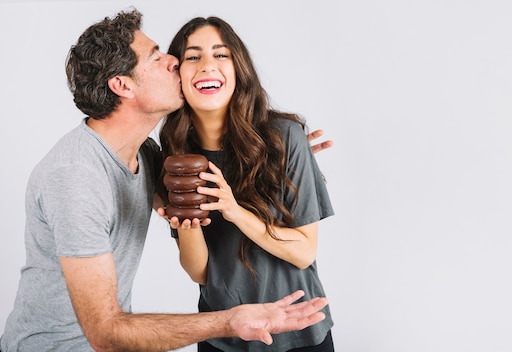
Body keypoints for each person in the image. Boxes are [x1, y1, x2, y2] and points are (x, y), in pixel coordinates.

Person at [0, 9, 332, 352]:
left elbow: (296, 243)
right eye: (156, 56)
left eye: (220, 54)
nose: (172, 61)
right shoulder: (76, 177)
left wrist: (279, 153)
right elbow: (107, 333)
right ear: (122, 85)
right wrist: (227, 321)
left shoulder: (147, 154)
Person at [156, 16, 335, 352]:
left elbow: (303, 251)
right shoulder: (175, 154)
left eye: (221, 55)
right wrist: (187, 223)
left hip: (299, 332)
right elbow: (200, 274)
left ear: (239, 68)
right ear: (178, 74)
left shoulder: (285, 138)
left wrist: (234, 210)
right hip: (222, 335)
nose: (207, 65)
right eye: (193, 57)